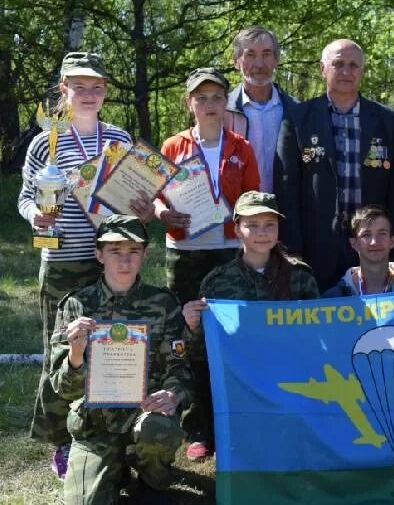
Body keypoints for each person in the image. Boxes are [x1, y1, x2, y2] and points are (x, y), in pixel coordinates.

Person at [17, 52, 154, 479]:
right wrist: (35, 217)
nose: (89, 94)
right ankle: (61, 439)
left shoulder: (119, 139)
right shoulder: (46, 141)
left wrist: (144, 209)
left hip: (112, 262)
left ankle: (115, 433)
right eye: (80, 86)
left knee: (115, 344)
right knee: (63, 349)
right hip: (62, 260)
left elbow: (136, 199)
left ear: (106, 91)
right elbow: (26, 197)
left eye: (97, 87)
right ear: (65, 90)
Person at [48, 215, 192, 503]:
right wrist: (75, 353)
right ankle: (115, 469)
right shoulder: (77, 305)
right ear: (99, 254)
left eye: (133, 251)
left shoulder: (163, 303)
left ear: (145, 254)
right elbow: (63, 388)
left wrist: (172, 395)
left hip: (145, 414)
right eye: (115, 251)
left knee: (157, 428)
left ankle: (152, 480)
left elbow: (181, 370)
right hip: (95, 424)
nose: (125, 261)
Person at [155, 68, 259, 461]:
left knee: (230, 334)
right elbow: (156, 195)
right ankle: (196, 425)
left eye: (217, 97)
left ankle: (231, 420)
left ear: (226, 103)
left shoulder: (241, 147)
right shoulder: (173, 146)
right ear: (190, 103)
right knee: (189, 333)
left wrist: (239, 217)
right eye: (202, 98)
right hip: (184, 251)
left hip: (229, 249)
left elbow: (253, 198)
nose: (210, 104)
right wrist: (163, 213)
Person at [181, 191, 320, 460]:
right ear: (237, 230)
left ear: (278, 229)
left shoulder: (300, 276)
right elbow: (199, 351)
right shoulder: (218, 282)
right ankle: (205, 430)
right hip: (237, 380)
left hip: (287, 377)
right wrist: (193, 325)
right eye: (252, 225)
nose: (262, 233)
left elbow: (316, 337)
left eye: (269, 225)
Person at [275, 39, 394, 291]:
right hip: (316, 247)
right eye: (338, 64)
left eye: (353, 65)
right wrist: (291, 248)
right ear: (322, 69)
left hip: (372, 246)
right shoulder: (298, 118)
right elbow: (286, 187)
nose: (346, 71)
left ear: (362, 71)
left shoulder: (388, 120)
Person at [224, 26, 298, 193]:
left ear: (276, 59)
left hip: (285, 206)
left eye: (266, 54)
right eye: (250, 55)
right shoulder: (223, 112)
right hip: (239, 206)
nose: (259, 64)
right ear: (236, 61)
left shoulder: (296, 110)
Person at [323, 204, 394, 297]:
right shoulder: (333, 298)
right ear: (354, 243)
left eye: (382, 233)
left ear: (392, 241)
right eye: (366, 235)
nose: (374, 242)